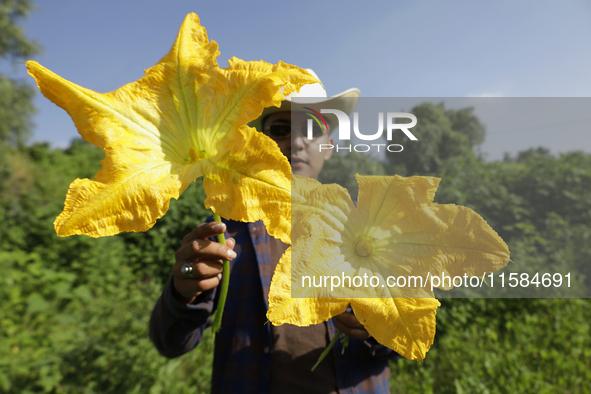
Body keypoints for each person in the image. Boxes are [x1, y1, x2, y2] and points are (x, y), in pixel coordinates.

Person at [149, 70, 398, 394]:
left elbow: (411, 337)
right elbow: (170, 344)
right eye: (280, 129)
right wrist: (183, 293)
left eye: (310, 129)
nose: (295, 141)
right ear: (262, 143)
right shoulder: (226, 230)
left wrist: (377, 327)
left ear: (328, 146)